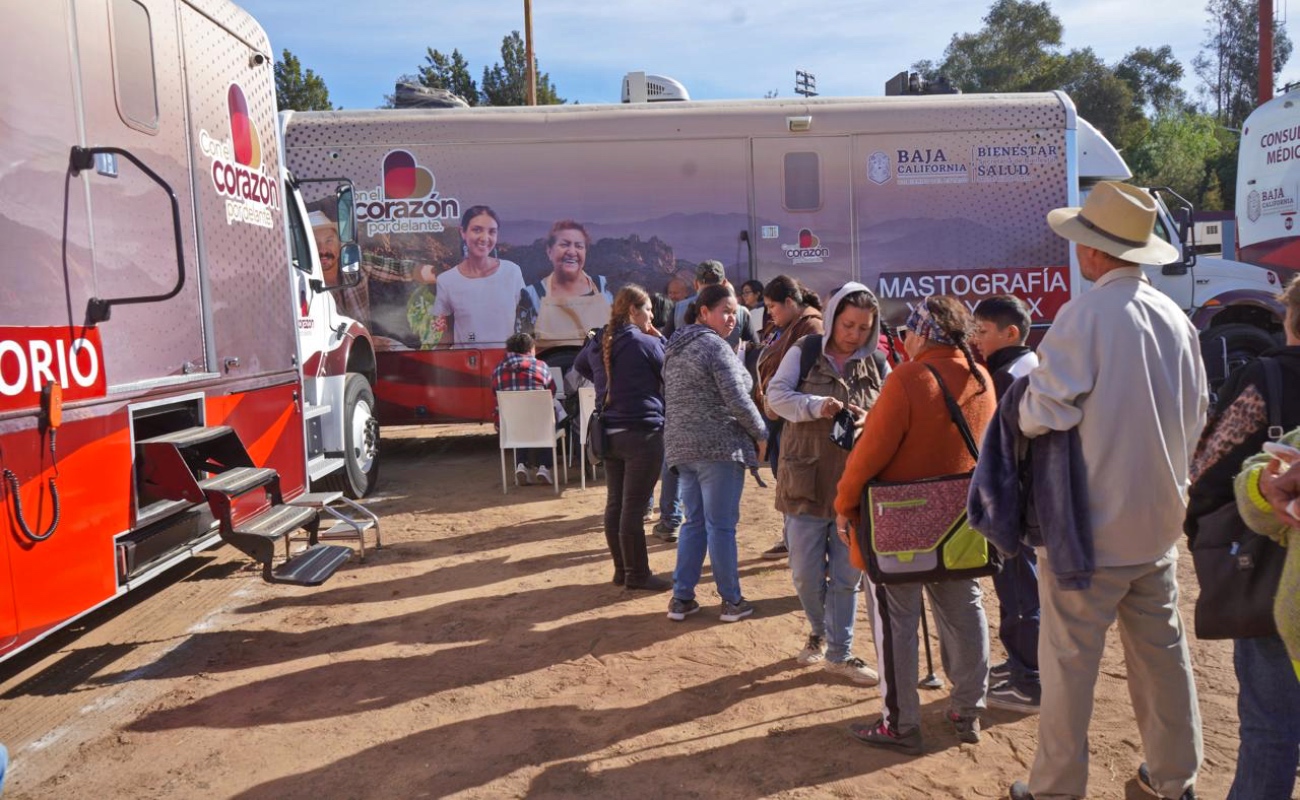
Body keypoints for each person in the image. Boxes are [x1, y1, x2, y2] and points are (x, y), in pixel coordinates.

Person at [1007, 181, 1206, 800]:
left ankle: (1055, 789)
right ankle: (1175, 780)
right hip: (1157, 524)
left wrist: (1025, 400)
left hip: (1088, 531)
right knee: (1164, 659)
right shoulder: (1176, 319)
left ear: (1094, 252)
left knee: (1068, 666)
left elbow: (1043, 412)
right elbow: (1198, 412)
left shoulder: (1085, 315)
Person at [834, 295, 995, 755]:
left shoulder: (908, 378)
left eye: (908, 331)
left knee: (896, 622)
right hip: (962, 524)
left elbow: (870, 455)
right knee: (965, 609)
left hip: (899, 525)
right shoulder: (981, 376)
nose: (903, 338)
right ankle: (968, 708)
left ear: (923, 334)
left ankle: (900, 723)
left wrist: (845, 504)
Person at [1190, 274, 1300, 800]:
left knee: (1270, 728)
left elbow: (1209, 471)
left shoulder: (1265, 379)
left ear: (1289, 319)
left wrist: (1206, 537)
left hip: (1274, 581)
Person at [767, 282, 886, 684]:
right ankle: (819, 630)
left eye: (864, 328)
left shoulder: (878, 363)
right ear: (833, 317)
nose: (854, 335)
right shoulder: (805, 352)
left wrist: (871, 419)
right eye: (848, 325)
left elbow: (890, 414)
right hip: (805, 480)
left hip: (854, 487)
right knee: (804, 573)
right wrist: (817, 406)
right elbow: (775, 397)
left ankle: (840, 650)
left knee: (847, 576)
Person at [663, 283, 768, 623]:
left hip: (682, 449)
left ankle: (682, 598)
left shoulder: (675, 348)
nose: (731, 318)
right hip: (719, 447)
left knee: (694, 523)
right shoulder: (715, 348)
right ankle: (732, 601)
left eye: (734, 311)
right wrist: (762, 433)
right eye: (724, 310)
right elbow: (737, 399)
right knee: (721, 527)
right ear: (703, 311)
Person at [574, 286, 672, 591]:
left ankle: (622, 570)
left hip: (610, 435)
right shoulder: (646, 343)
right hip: (642, 433)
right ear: (632, 310)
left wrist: (607, 381)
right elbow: (672, 369)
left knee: (616, 504)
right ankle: (638, 575)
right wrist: (660, 338)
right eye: (648, 309)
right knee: (633, 507)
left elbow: (578, 367)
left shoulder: (599, 340)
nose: (652, 315)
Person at [970, 295, 1041, 714]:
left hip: (1018, 503)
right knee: (1015, 587)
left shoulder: (1013, 375)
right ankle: (1021, 665)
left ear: (1009, 333)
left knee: (1021, 589)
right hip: (1018, 500)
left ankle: (1029, 680)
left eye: (982, 331)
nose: (976, 339)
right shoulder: (1022, 368)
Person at [755, 276, 825, 560]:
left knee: (799, 482)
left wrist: (782, 401)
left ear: (790, 302)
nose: (770, 312)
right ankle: (792, 538)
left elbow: (812, 378)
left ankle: (806, 547)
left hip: (796, 420)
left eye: (773, 306)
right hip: (780, 417)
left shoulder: (811, 327)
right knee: (786, 480)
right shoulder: (786, 326)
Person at [429, 205, 525, 348]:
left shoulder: (512, 272)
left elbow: (524, 319)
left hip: (507, 363)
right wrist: (435, 365)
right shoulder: (447, 280)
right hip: (466, 364)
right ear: (463, 232)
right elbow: (447, 333)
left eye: (492, 232)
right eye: (477, 230)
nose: (484, 238)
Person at [517, 220, 614, 350]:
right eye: (564, 245)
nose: (572, 252)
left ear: (585, 252)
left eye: (579, 246)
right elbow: (521, 352)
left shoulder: (607, 288)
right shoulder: (531, 296)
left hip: (599, 370)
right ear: (549, 251)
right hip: (551, 370)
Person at [491, 332, 559, 486]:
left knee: (519, 421)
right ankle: (544, 467)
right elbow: (552, 391)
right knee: (549, 420)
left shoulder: (498, 370)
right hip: (540, 424)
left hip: (511, 426)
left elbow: (494, 394)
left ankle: (521, 464)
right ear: (530, 349)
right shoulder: (541, 367)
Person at [310, 209, 370, 324]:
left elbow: (402, 268)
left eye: (329, 241)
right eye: (315, 242)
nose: (323, 249)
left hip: (366, 340)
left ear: (339, 245)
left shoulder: (356, 264)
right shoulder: (302, 286)